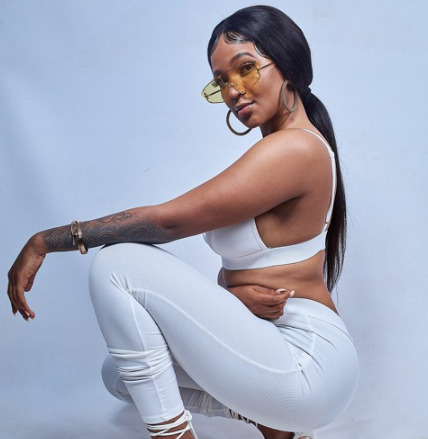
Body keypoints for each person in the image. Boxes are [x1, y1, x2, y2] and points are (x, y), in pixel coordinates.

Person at [7, 5, 359, 439]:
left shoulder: (296, 148)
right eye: (221, 81)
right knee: (120, 374)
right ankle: (276, 424)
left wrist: (47, 240)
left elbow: (170, 223)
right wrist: (234, 299)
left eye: (245, 69)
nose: (233, 91)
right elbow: (256, 270)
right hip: (276, 355)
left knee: (117, 263)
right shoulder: (285, 148)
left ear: (287, 63)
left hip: (308, 362)